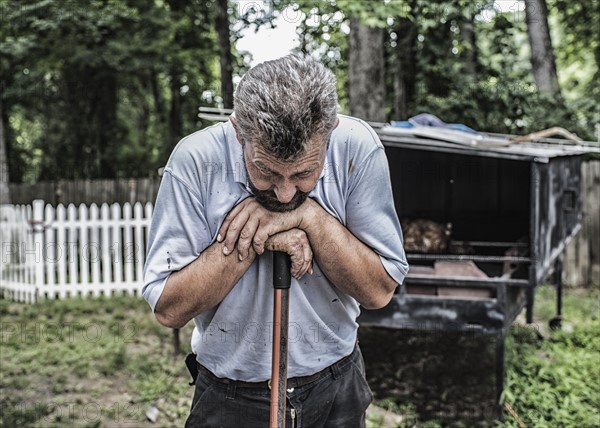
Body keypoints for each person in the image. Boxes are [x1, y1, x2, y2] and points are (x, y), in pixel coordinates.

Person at [142, 54, 408, 427]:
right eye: (265, 171)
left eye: (304, 173)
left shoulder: (357, 148)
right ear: (238, 132)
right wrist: (257, 238)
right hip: (230, 392)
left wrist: (310, 218)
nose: (284, 194)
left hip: (337, 383)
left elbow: (378, 291)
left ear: (329, 133)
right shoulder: (195, 161)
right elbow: (169, 308)